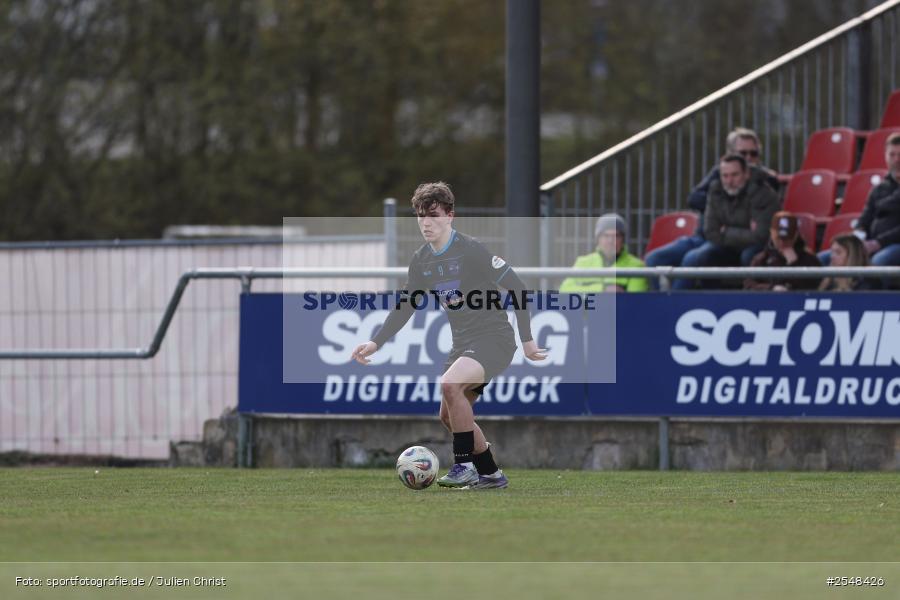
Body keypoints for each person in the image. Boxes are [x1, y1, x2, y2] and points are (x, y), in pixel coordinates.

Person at [351, 182, 546, 490]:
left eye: (433, 215)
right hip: (463, 345)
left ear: (450, 216)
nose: (426, 223)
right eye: (420, 216)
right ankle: (492, 475)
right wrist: (375, 341)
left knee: (450, 384)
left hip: (495, 339)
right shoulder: (422, 260)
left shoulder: (471, 249)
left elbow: (518, 287)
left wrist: (527, 340)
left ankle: (464, 465)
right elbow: (405, 306)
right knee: (449, 414)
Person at [645, 127, 778, 285]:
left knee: (692, 259)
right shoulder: (718, 176)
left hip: (729, 241)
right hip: (704, 236)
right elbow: (694, 199)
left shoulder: (765, 183)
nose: (749, 158)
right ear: (730, 153)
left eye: (753, 153)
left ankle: (673, 305)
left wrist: (725, 227)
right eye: (743, 153)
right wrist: (716, 210)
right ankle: (661, 304)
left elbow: (759, 232)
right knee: (654, 259)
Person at [674, 153, 781, 290]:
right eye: (725, 176)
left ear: (746, 174)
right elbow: (711, 232)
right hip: (726, 246)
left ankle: (752, 300)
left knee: (749, 256)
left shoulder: (764, 193)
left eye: (735, 175)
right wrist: (746, 231)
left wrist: (726, 230)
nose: (729, 181)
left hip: (756, 247)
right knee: (703, 256)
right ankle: (711, 302)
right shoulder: (715, 190)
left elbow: (761, 235)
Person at [559, 213, 648, 293]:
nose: (610, 241)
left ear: (622, 240)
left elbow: (635, 300)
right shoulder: (583, 262)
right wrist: (603, 289)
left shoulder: (637, 266)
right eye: (606, 235)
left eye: (616, 236)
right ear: (598, 239)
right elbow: (564, 290)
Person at [743, 211, 821, 291]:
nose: (782, 243)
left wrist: (794, 265)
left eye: (787, 239)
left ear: (795, 235)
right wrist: (771, 288)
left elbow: (814, 287)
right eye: (778, 238)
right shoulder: (761, 259)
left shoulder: (809, 260)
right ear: (771, 233)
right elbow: (748, 286)